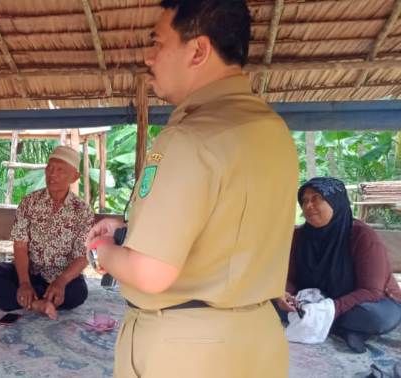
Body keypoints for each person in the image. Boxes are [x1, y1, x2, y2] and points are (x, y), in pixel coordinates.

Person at [85, 1, 299, 377]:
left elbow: (150, 273)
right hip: (259, 338)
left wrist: (103, 250)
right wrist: (124, 227)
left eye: (158, 42)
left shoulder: (190, 138)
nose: (149, 57)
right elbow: (225, 229)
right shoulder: (272, 130)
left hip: (188, 351)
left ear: (198, 50)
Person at [277, 177, 401, 353]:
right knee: (273, 302)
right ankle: (343, 329)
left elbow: (372, 291)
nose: (308, 206)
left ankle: (323, 323)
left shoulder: (361, 235)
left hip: (366, 301)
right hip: (316, 299)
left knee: (377, 318)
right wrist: (286, 294)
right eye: (304, 201)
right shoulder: (299, 236)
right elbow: (289, 277)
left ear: (336, 201)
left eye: (316, 198)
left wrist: (331, 309)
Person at [0, 146, 93, 320]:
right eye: (49, 168)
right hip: (28, 272)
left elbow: (83, 255)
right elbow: (20, 245)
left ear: (74, 177)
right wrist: (24, 283)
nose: (52, 174)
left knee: (78, 293)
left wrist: (61, 282)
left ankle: (28, 299)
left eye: (60, 170)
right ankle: (39, 303)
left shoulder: (83, 211)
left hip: (61, 276)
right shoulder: (29, 202)